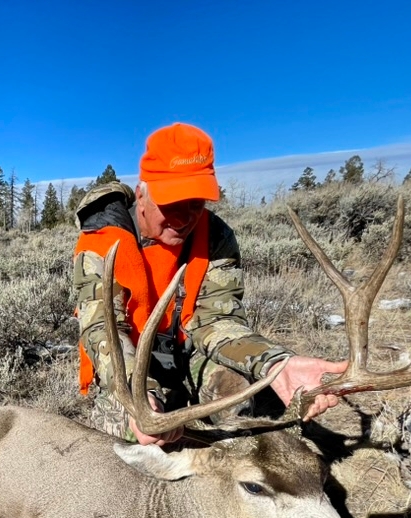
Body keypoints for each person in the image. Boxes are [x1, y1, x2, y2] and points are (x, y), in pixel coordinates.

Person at [73, 122, 345, 446]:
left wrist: (277, 364)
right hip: (130, 362)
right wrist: (139, 394)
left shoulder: (214, 237)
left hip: (190, 355)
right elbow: (102, 328)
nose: (185, 217)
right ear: (142, 192)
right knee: (126, 440)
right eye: (172, 203)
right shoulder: (101, 242)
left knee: (236, 394)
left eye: (196, 202)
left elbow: (217, 321)